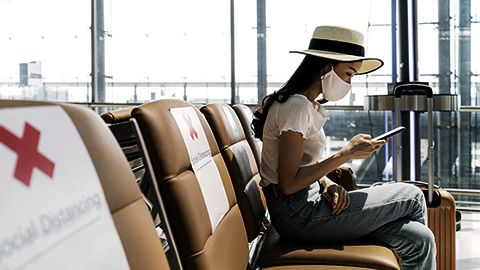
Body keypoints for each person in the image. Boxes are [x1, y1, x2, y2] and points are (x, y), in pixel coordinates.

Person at [252, 25, 436, 270]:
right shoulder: (295, 108)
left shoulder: (305, 106)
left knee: (419, 239)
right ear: (325, 67)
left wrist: (327, 183)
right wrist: (345, 154)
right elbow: (288, 184)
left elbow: (300, 168)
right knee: (412, 195)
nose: (349, 82)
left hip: (306, 204)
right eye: (348, 73)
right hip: (298, 215)